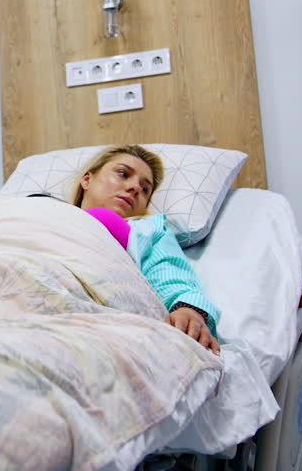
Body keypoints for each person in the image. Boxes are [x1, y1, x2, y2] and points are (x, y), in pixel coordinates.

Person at [73, 144, 221, 354]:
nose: (134, 187)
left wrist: (189, 309)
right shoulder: (42, 208)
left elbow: (171, 276)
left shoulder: (148, 231)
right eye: (123, 174)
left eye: (145, 189)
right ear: (87, 179)